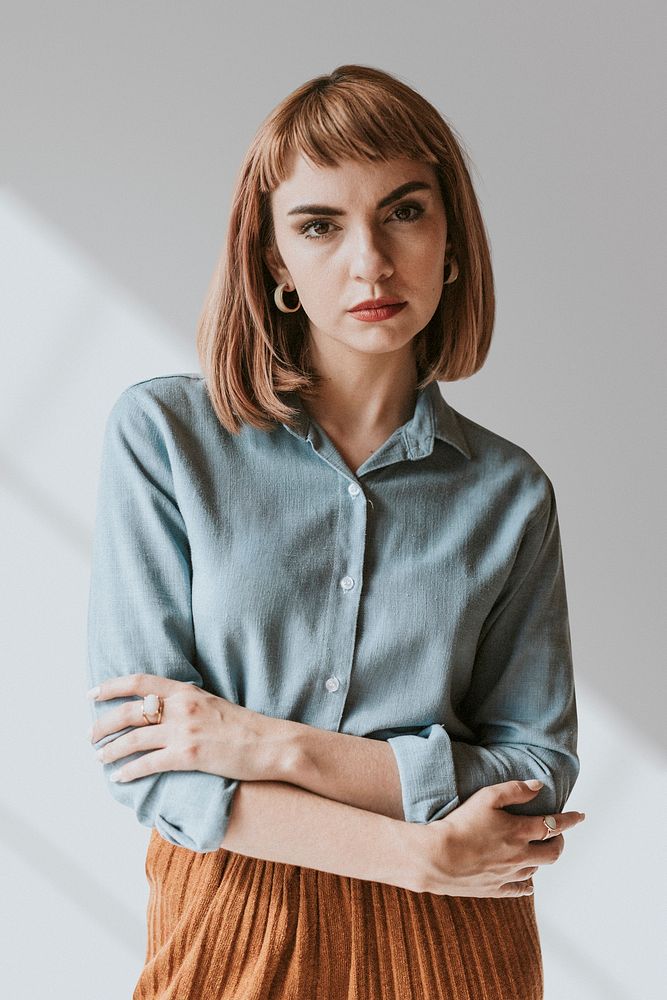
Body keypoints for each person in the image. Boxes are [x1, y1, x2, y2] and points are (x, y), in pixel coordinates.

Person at [86, 64, 585, 999]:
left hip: (460, 938)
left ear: (451, 242)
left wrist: (271, 746)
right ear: (275, 260)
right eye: (319, 224)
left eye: (403, 212)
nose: (370, 261)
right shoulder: (166, 441)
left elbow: (535, 770)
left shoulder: (509, 494)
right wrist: (414, 855)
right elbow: (148, 762)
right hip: (236, 917)